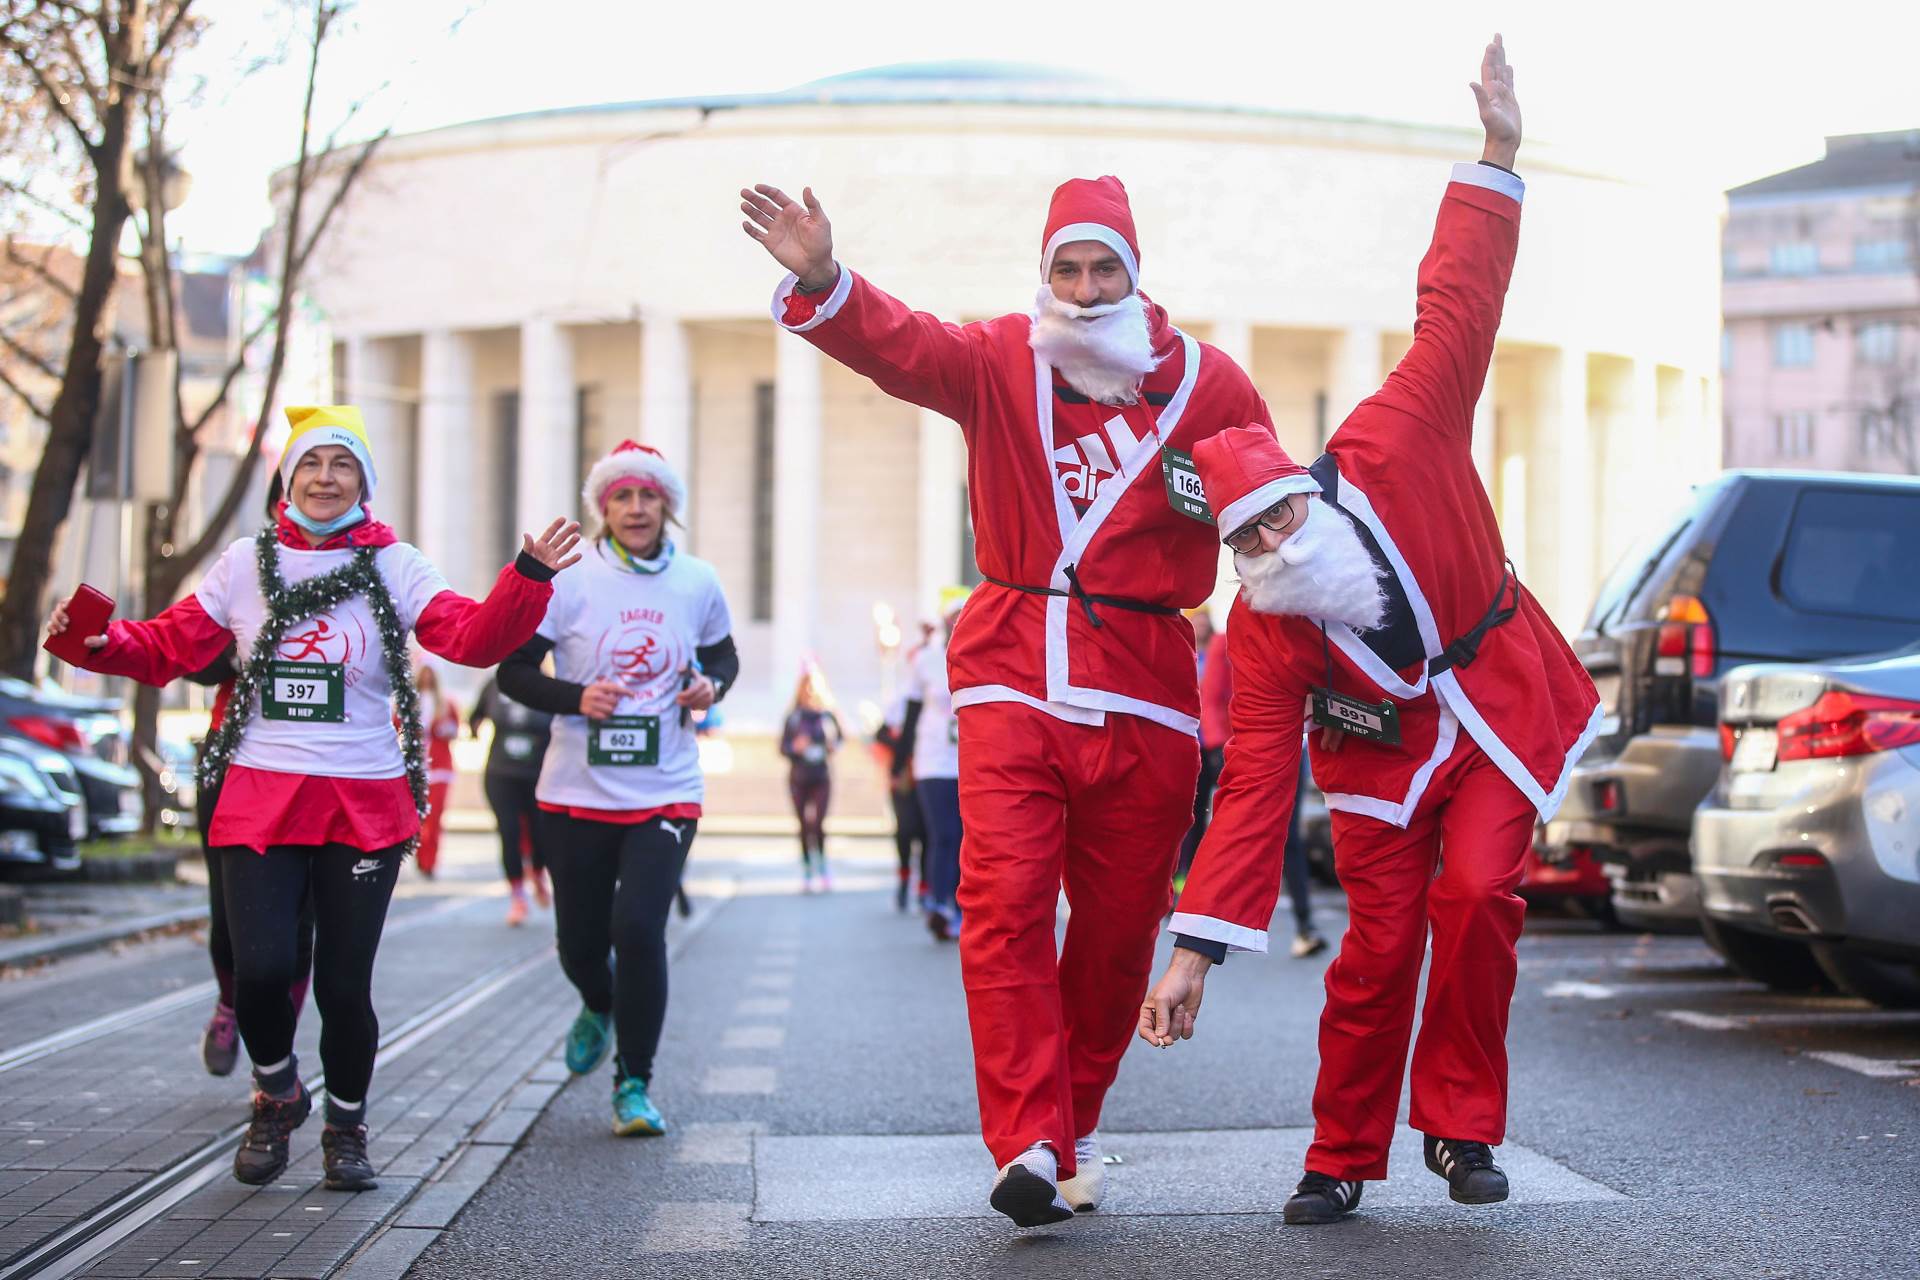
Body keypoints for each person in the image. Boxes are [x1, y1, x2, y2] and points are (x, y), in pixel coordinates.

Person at [742, 151, 1275, 1226]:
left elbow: (1270, 503)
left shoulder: (1213, 385)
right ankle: (1027, 1135)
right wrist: (828, 277)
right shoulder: (998, 359)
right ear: (1046, 272)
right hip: (1012, 671)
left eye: (1102, 272)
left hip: (1150, 690)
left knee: (1122, 930)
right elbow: (902, 346)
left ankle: (1068, 1126)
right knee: (1002, 901)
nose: (1082, 291)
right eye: (1067, 269)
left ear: (1135, 274)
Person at [1140, 38, 1600, 1225]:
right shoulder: (1268, 628)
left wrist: (1497, 153)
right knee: (1378, 943)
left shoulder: (1399, 433)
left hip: (1490, 697)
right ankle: (1341, 1149)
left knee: (1483, 893)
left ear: (1311, 488)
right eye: (1247, 542)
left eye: (1282, 518)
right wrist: (1194, 949)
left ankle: (1458, 1124)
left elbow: (1457, 303)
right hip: (1380, 760)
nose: (1273, 549)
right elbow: (1248, 791)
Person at [50, 404, 579, 1191]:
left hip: (362, 796)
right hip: (260, 794)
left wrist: (527, 576)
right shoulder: (242, 563)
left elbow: (469, 639)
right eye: (311, 465)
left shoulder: (396, 564)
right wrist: (97, 640)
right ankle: (277, 1092)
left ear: (363, 482)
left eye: (343, 467)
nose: (326, 479)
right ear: (288, 478)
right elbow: (170, 645)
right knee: (259, 968)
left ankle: (347, 1127)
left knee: (342, 984)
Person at [498, 440, 739, 1138]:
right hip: (576, 787)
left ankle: (633, 1082)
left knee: (638, 929)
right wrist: (576, 698)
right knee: (579, 942)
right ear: (604, 508)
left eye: (649, 496)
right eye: (623, 497)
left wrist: (710, 685)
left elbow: (723, 652)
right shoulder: (571, 580)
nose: (637, 509)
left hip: (665, 786)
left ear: (668, 506)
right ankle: (596, 1002)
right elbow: (512, 671)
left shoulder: (697, 579)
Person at [893, 594, 965, 940]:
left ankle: (960, 906)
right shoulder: (926, 660)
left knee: (967, 838)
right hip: (933, 762)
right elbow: (909, 714)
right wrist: (898, 763)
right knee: (943, 835)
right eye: (953, 617)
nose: (957, 623)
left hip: (971, 763)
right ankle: (939, 903)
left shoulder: (984, 653)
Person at [470, 674, 553, 926]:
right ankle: (517, 895)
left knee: (540, 833)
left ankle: (537, 871)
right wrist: (473, 728)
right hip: (501, 772)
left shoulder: (547, 686)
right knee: (509, 831)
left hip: (537, 774)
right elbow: (476, 715)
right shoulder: (495, 684)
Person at [779, 667, 844, 892]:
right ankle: (807, 868)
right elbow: (782, 747)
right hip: (799, 776)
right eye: (806, 685)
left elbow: (840, 741)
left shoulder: (827, 715)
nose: (809, 690)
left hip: (821, 775)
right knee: (803, 824)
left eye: (813, 685)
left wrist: (831, 746)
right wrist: (795, 747)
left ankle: (823, 866)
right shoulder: (794, 716)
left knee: (818, 823)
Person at [875, 690, 927, 913]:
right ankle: (905, 879)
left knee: (927, 834)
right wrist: (903, 744)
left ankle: (926, 887)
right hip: (905, 778)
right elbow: (881, 734)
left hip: (928, 774)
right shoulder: (903, 700)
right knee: (905, 831)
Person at [411, 663, 461, 878]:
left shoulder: (446, 704)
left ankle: (430, 862)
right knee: (416, 819)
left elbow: (455, 730)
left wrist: (443, 729)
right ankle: (420, 857)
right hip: (414, 767)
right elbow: (396, 726)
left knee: (434, 818)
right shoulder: (410, 702)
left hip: (439, 768)